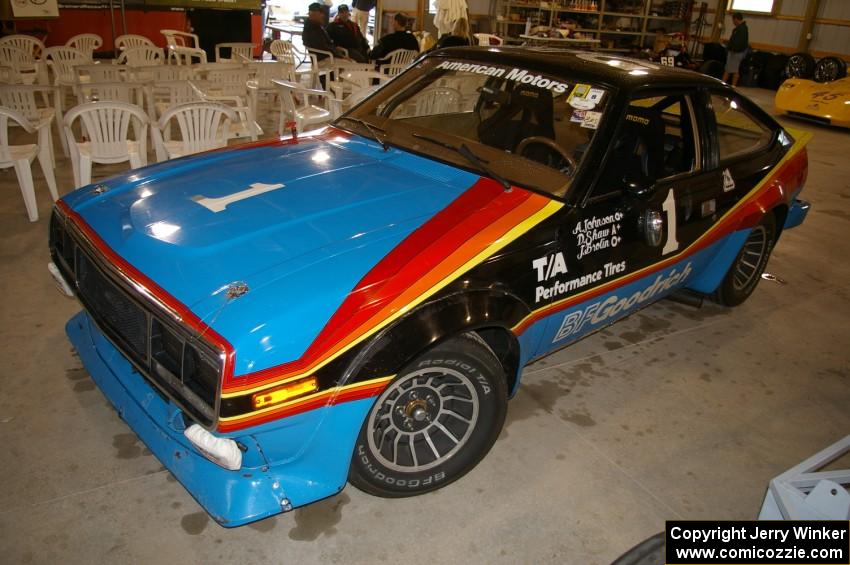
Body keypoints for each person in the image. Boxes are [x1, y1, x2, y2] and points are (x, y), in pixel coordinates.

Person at [722, 12, 749, 86]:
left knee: (731, 70)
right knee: (732, 69)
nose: (733, 22)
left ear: (736, 19)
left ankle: (725, 85)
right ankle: (727, 85)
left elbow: (739, 42)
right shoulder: (740, 29)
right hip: (735, 51)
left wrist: (733, 49)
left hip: (736, 52)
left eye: (733, 20)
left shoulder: (742, 29)